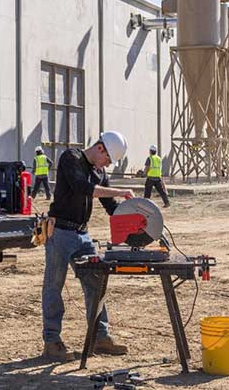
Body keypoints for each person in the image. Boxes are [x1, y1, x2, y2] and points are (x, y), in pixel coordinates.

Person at [42, 131, 133, 362]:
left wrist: (135, 224)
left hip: (82, 234)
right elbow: (83, 188)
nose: (107, 165)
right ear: (100, 148)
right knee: (54, 286)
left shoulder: (100, 172)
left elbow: (111, 207)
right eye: (108, 160)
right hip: (60, 232)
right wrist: (122, 191)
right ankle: (52, 342)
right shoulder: (70, 158)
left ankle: (100, 337)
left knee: (96, 283)